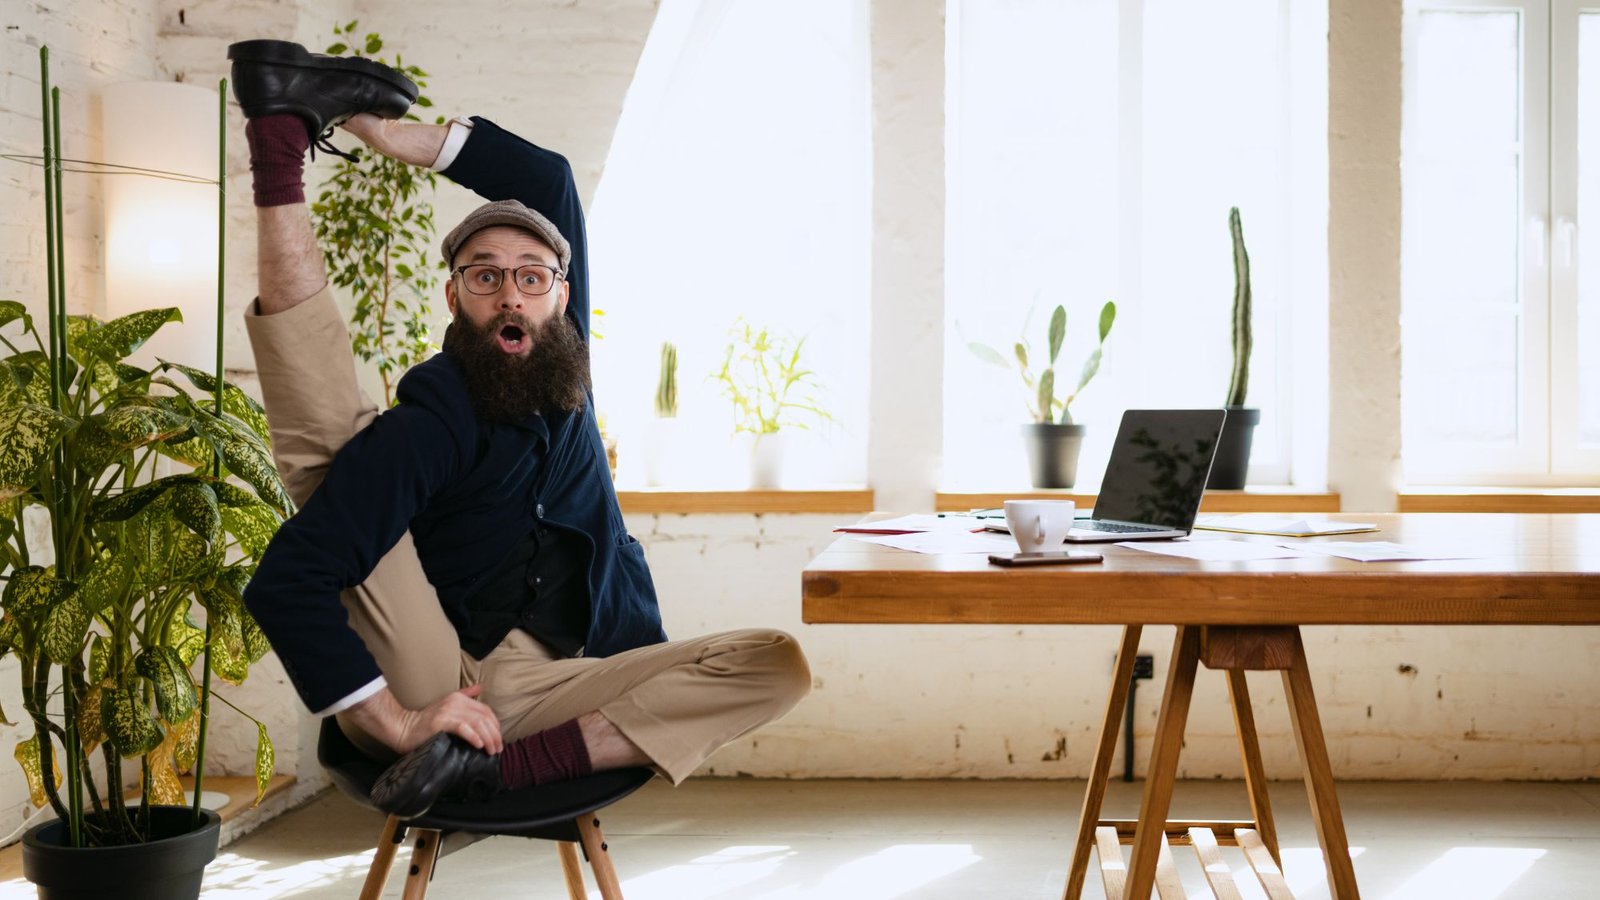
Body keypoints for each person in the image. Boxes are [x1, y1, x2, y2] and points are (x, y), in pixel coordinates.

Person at [227, 39, 810, 818]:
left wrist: (375, 127)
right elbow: (285, 578)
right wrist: (397, 722)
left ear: (562, 297)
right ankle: (277, 146)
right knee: (338, 461)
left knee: (776, 664)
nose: (510, 293)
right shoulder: (434, 421)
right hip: (440, 677)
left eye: (530, 276)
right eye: (484, 275)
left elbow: (548, 183)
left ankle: (491, 771)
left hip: (570, 682)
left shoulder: (570, 367)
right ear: (453, 298)